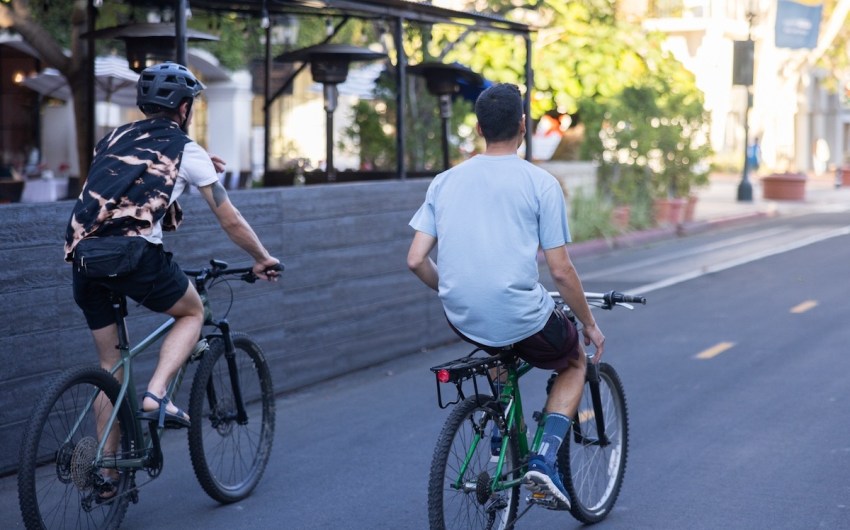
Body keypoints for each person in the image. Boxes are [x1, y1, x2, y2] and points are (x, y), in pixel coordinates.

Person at [64, 62, 280, 495]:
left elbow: (132, 180)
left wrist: (199, 164)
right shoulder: (185, 148)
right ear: (184, 106)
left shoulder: (113, 138)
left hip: (84, 256)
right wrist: (262, 256)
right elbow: (230, 218)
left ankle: (107, 474)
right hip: (134, 256)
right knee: (191, 312)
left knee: (112, 364)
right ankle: (158, 394)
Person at [407, 83, 605, 509]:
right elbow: (561, 271)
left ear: (478, 128)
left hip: (461, 313)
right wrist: (587, 323)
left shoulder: (444, 182)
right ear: (522, 126)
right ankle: (544, 460)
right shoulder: (540, 183)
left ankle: (500, 441)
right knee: (573, 360)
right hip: (519, 313)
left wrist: (451, 289)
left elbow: (416, 260)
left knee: (498, 348)